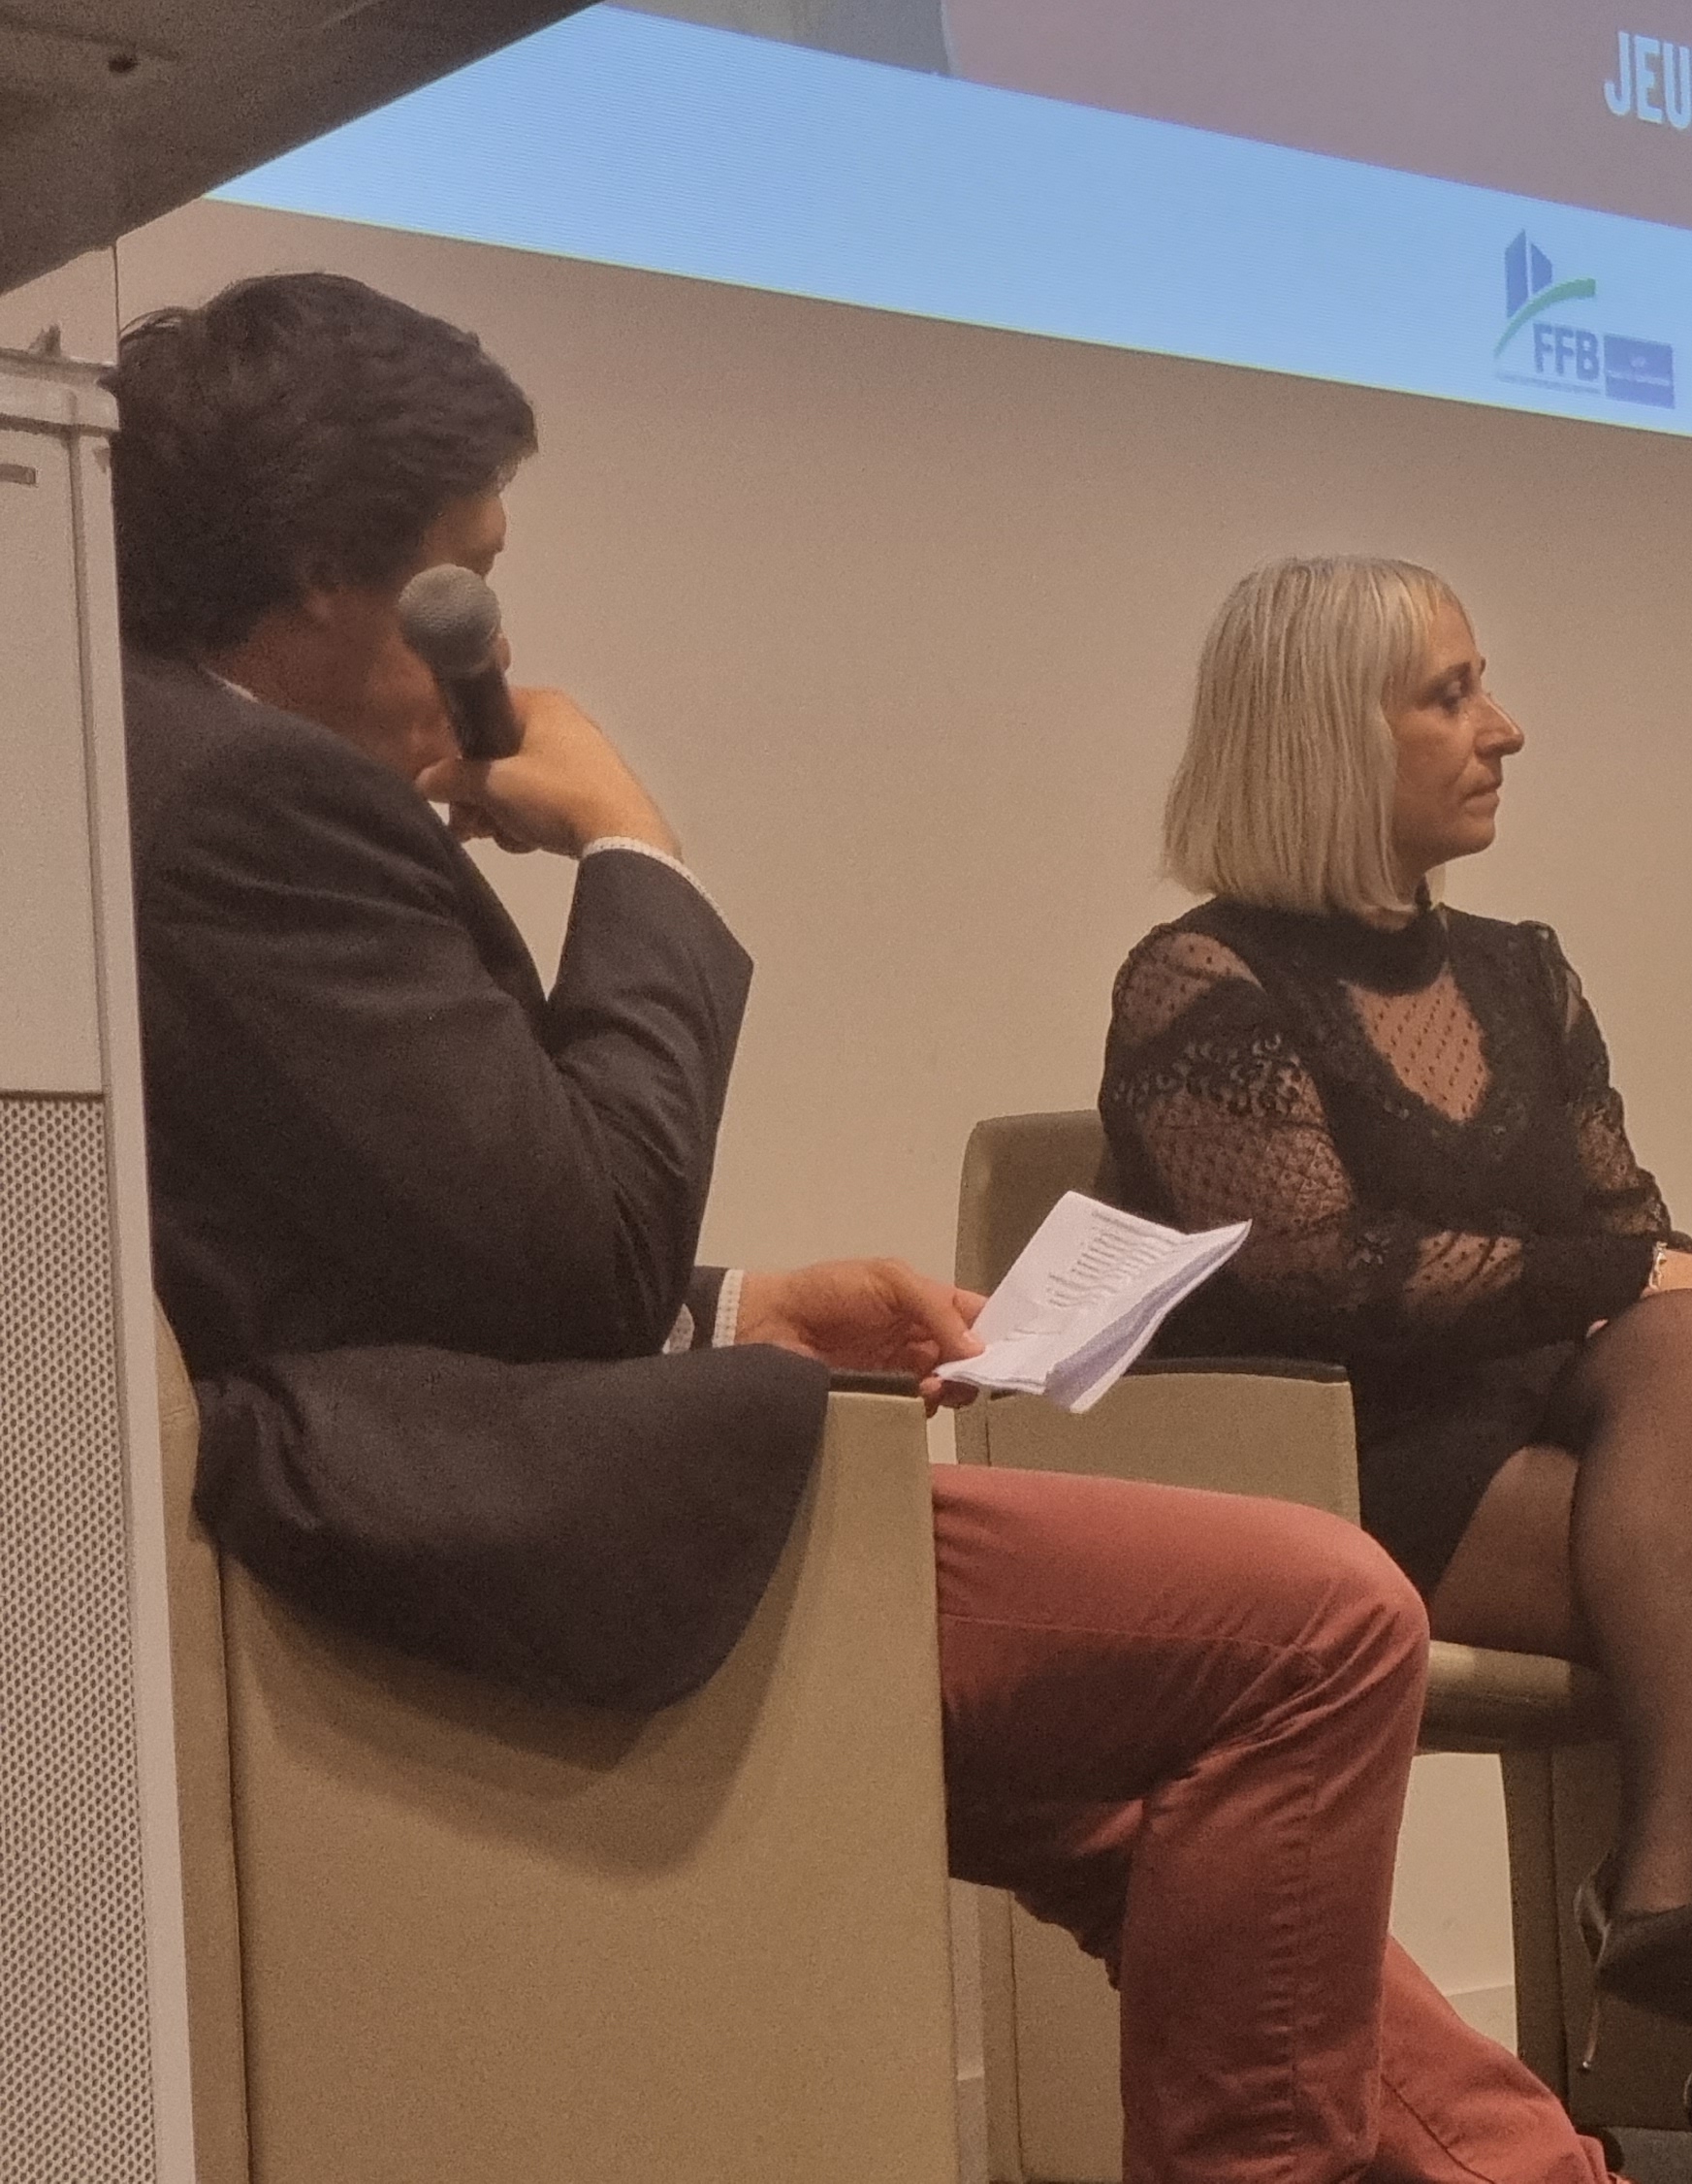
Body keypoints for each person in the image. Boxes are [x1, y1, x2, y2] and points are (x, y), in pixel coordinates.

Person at [112, 272, 1599, 2184]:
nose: (496, 659)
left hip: (453, 1436)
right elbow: (563, 1245)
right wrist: (632, 852)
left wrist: (739, 1305)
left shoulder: (157, 766)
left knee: (1129, 1799)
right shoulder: (248, 806)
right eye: (466, 581)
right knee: (1320, 1617)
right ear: (327, 570)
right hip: (442, 1514)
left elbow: (399, 1233)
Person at [1101, 556, 1692, 2184]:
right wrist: (1636, 1277)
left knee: (1686, 1329)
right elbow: (1315, 1269)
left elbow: (1626, 1228)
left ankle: (1670, 1896)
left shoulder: (1523, 969)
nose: (1502, 728)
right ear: (1327, 735)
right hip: (1331, 1474)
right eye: (1450, 695)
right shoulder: (1201, 982)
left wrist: (1668, 1284)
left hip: (1563, 1452)